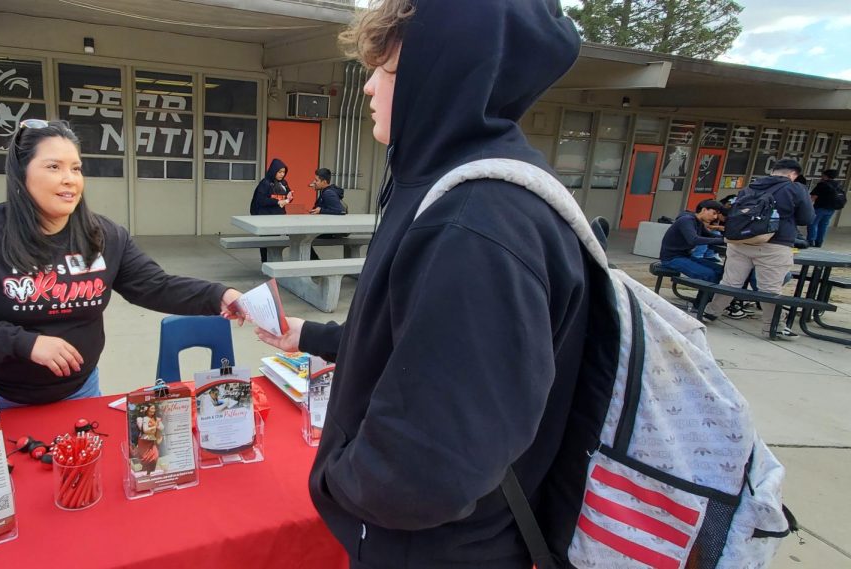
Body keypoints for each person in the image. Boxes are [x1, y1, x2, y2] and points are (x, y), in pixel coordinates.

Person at [256, 1, 587, 566]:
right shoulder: (458, 187)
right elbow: (414, 336)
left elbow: (426, 471)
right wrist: (312, 336)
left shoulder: (475, 223)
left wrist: (340, 476)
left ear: (440, 75)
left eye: (383, 70)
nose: (367, 87)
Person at [0, 119, 243, 413]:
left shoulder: (103, 236)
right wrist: (26, 343)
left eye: (76, 168)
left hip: (78, 391)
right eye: (54, 167)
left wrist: (219, 295)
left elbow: (155, 285)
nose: (69, 179)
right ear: (21, 173)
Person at [705, 159, 814, 338]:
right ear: (793, 174)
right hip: (775, 243)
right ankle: (774, 327)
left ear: (773, 171)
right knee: (769, 289)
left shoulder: (752, 186)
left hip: (740, 241)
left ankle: (709, 312)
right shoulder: (795, 189)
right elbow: (806, 218)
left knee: (730, 282)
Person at [659, 200, 726, 285]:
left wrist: (731, 239)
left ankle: (708, 297)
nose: (715, 217)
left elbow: (709, 235)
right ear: (704, 210)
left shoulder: (698, 222)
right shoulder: (686, 220)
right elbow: (693, 239)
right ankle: (705, 298)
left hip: (685, 256)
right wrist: (723, 240)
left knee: (721, 271)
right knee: (709, 275)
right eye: (714, 213)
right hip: (671, 259)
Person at [248, 158, 293, 262]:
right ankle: (266, 262)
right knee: (266, 241)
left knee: (276, 241)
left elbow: (287, 196)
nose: (282, 174)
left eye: (284, 172)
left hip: (279, 217)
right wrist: (276, 202)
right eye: (279, 172)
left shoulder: (284, 183)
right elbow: (261, 200)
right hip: (266, 217)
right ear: (273, 171)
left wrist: (290, 196)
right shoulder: (265, 183)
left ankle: (275, 262)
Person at [808, 168, 844, 248]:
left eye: (823, 175)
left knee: (812, 223)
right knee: (823, 225)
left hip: (819, 208)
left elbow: (813, 197)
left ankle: (810, 241)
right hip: (831, 209)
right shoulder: (838, 184)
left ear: (826, 176)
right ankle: (819, 242)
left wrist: (808, 206)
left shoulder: (822, 184)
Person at [133, 404, 163, 474]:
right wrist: (155, 426)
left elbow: (162, 427)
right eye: (151, 409)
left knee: (155, 455)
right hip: (144, 441)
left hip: (152, 440)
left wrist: (155, 425)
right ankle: (146, 473)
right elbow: (143, 429)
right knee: (145, 459)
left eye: (154, 409)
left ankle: (150, 472)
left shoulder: (156, 419)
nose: (153, 410)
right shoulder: (140, 419)